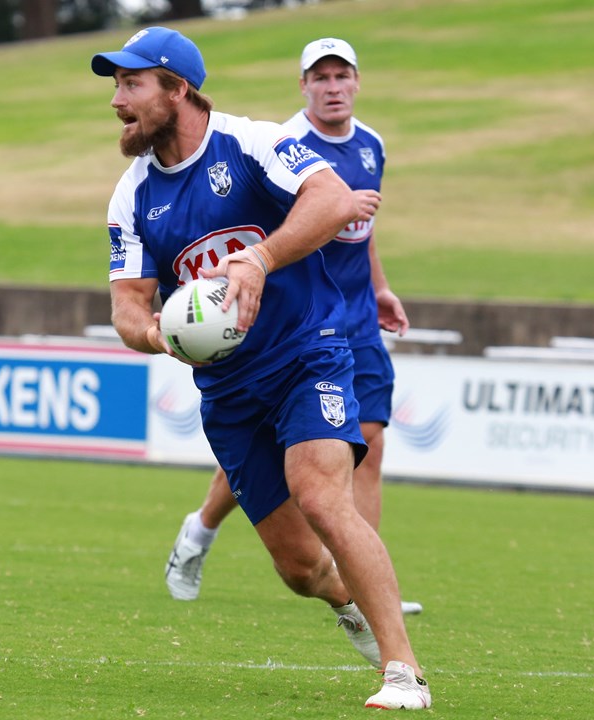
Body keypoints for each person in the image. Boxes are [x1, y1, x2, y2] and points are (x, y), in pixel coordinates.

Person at [95, 27, 431, 710]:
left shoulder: (249, 143)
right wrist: (162, 334)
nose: (117, 101)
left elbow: (334, 201)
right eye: (116, 87)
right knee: (300, 567)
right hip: (226, 390)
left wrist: (259, 258)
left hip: (308, 352)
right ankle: (349, 603)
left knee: (321, 496)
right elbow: (127, 309)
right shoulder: (131, 198)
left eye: (132, 85)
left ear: (177, 89)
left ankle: (404, 673)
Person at [165, 37, 423, 620]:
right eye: (320, 77)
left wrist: (380, 286)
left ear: (357, 82)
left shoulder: (372, 144)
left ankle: (362, 582)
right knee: (282, 452)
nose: (333, 87)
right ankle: (202, 527)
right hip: (300, 321)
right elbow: (291, 226)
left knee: (368, 444)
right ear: (302, 85)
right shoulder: (281, 145)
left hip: (356, 317)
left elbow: (365, 228)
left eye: (342, 75)